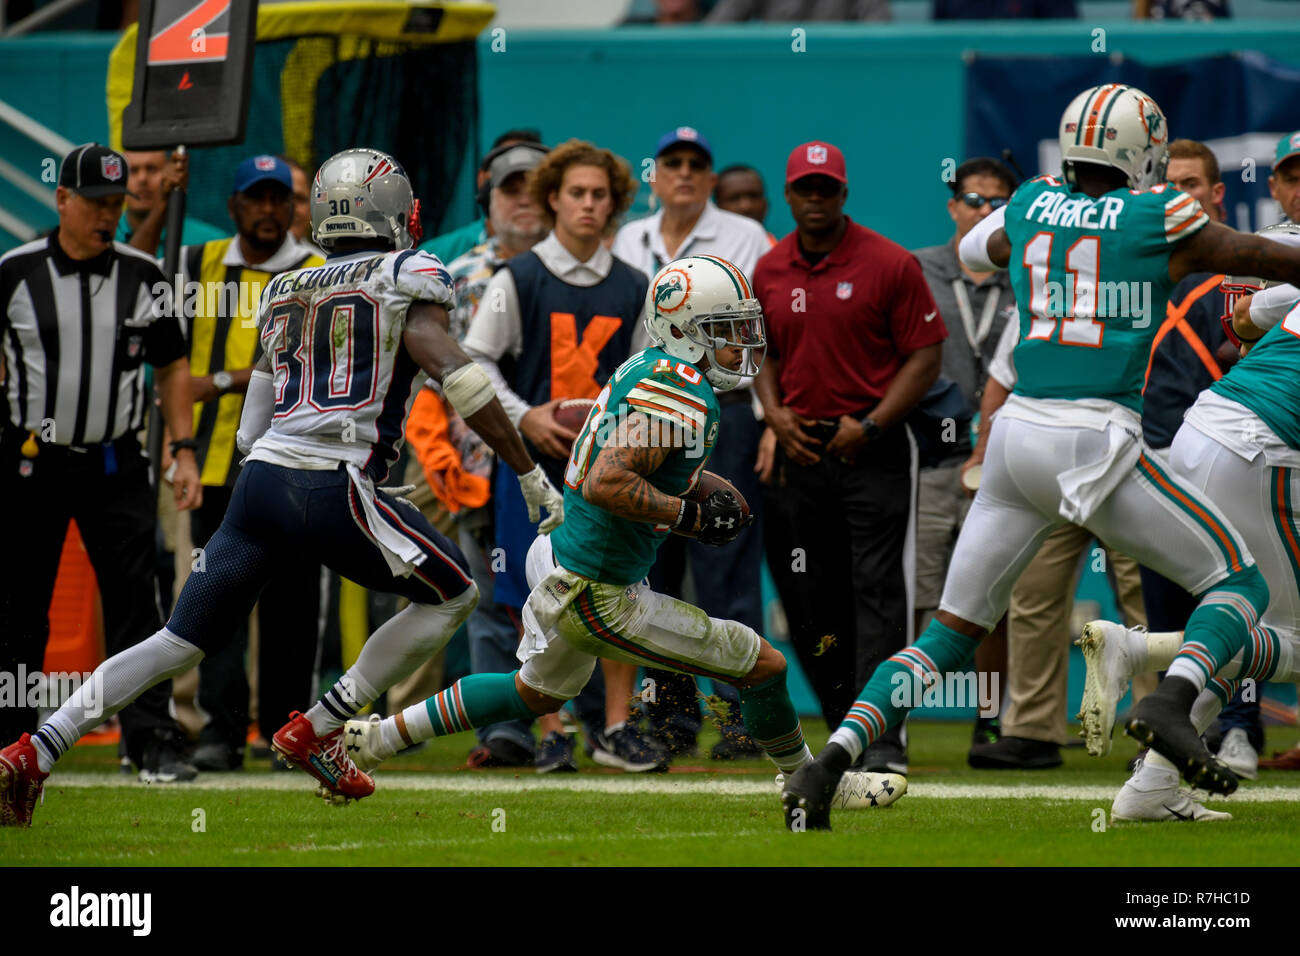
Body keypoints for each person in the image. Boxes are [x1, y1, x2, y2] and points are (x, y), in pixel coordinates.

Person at [780, 84, 1300, 831]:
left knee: (948, 634)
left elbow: (970, 251)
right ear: (1145, 149)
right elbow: (1249, 253)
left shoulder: (1026, 206)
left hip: (1015, 438)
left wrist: (1046, 220)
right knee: (1238, 582)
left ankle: (828, 761)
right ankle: (1173, 699)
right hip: (1095, 440)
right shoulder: (1162, 215)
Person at [0, 147, 566, 825]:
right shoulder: (407, 272)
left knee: (176, 640)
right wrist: (530, 473)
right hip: (335, 482)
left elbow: (251, 426)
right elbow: (461, 377)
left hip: (261, 480)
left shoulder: (285, 286)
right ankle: (321, 724)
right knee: (455, 595)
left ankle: (36, 748)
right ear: (392, 210)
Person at [341, 256, 820, 787]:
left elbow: (634, 468)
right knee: (765, 666)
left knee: (534, 692)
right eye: (724, 329)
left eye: (742, 326)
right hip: (595, 589)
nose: (740, 342)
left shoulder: (649, 366)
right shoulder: (684, 394)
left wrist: (691, 495)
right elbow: (609, 482)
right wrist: (689, 515)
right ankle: (810, 782)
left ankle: (376, 738)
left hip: (565, 555)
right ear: (683, 331)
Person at [1078, 223, 1300, 820]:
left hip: (1205, 432)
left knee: (1248, 620)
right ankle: (1136, 649)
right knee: (1292, 639)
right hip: (1261, 445)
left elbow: (1247, 317)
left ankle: (1152, 784)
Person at [0, 143, 203, 787]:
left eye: (117, 205)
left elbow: (171, 366)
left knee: (137, 608)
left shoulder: (145, 276)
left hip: (117, 464)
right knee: (19, 606)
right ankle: (13, 740)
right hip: (31, 461)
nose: (107, 217)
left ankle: (152, 743)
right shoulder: (13, 271)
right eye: (95, 204)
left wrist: (182, 449)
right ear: (62, 200)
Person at [462, 139, 666, 771]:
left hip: (610, 471)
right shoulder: (515, 278)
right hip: (533, 470)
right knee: (539, 593)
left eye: (599, 195)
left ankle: (615, 727)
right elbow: (474, 362)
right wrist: (527, 416)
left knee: (622, 587)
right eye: (575, 193)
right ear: (553, 198)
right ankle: (552, 730)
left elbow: (650, 375)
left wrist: (621, 437)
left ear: (615, 206)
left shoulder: (637, 287)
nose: (587, 204)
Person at [753, 139, 944, 775]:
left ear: (843, 193)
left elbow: (924, 355)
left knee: (878, 593)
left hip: (874, 446)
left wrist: (873, 423)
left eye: (825, 189)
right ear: (788, 195)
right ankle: (844, 730)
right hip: (800, 447)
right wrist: (774, 413)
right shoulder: (770, 268)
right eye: (804, 189)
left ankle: (883, 740)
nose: (814, 200)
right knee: (810, 600)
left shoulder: (889, 263)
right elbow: (763, 354)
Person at [612, 127, 772, 759]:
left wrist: (766, 417)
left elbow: (765, 336)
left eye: (695, 164)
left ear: (710, 178)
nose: (682, 172)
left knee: (726, 568)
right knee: (655, 573)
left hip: (724, 410)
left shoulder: (745, 234)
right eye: (672, 162)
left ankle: (741, 719)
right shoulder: (628, 238)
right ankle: (671, 719)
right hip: (649, 415)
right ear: (655, 175)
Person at [178, 154, 326, 771]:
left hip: (298, 464)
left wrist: (221, 379)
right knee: (219, 600)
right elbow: (167, 363)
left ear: (293, 208)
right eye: (255, 199)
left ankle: (285, 730)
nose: (267, 210)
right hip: (212, 465)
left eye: (278, 200)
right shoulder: (196, 264)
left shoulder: (322, 271)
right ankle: (221, 731)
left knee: (293, 604)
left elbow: (313, 362)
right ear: (234, 206)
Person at [911, 157, 1017, 756]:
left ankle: (989, 719)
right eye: (974, 201)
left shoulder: (1028, 274)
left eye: (998, 204)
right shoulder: (916, 270)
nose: (984, 212)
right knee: (917, 594)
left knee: (992, 602)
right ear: (953, 206)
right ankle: (891, 715)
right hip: (929, 456)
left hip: (1003, 461)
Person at [418, 129, 544, 266]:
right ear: (484, 182)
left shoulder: (567, 252)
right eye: (511, 190)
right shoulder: (432, 257)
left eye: (533, 190)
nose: (524, 201)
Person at [118, 148, 225, 256]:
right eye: (133, 170)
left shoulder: (211, 244)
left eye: (151, 169)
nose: (142, 179)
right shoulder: (105, 238)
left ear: (175, 175)